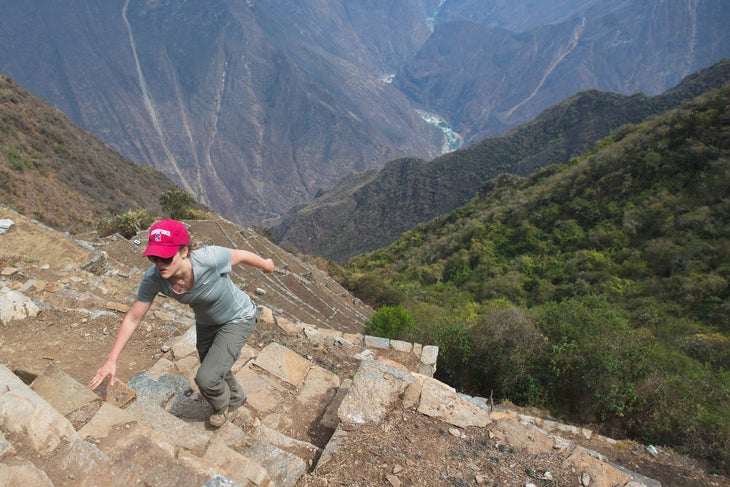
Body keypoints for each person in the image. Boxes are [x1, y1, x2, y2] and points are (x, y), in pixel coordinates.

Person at [90, 219, 275, 428]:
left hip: (237, 318)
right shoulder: (154, 279)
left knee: (206, 378)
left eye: (165, 258)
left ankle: (224, 407)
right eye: (153, 257)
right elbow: (133, 317)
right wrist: (112, 359)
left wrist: (266, 264)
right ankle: (236, 396)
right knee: (213, 368)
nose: (159, 263)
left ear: (184, 251)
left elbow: (240, 255)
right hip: (206, 323)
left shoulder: (209, 259)